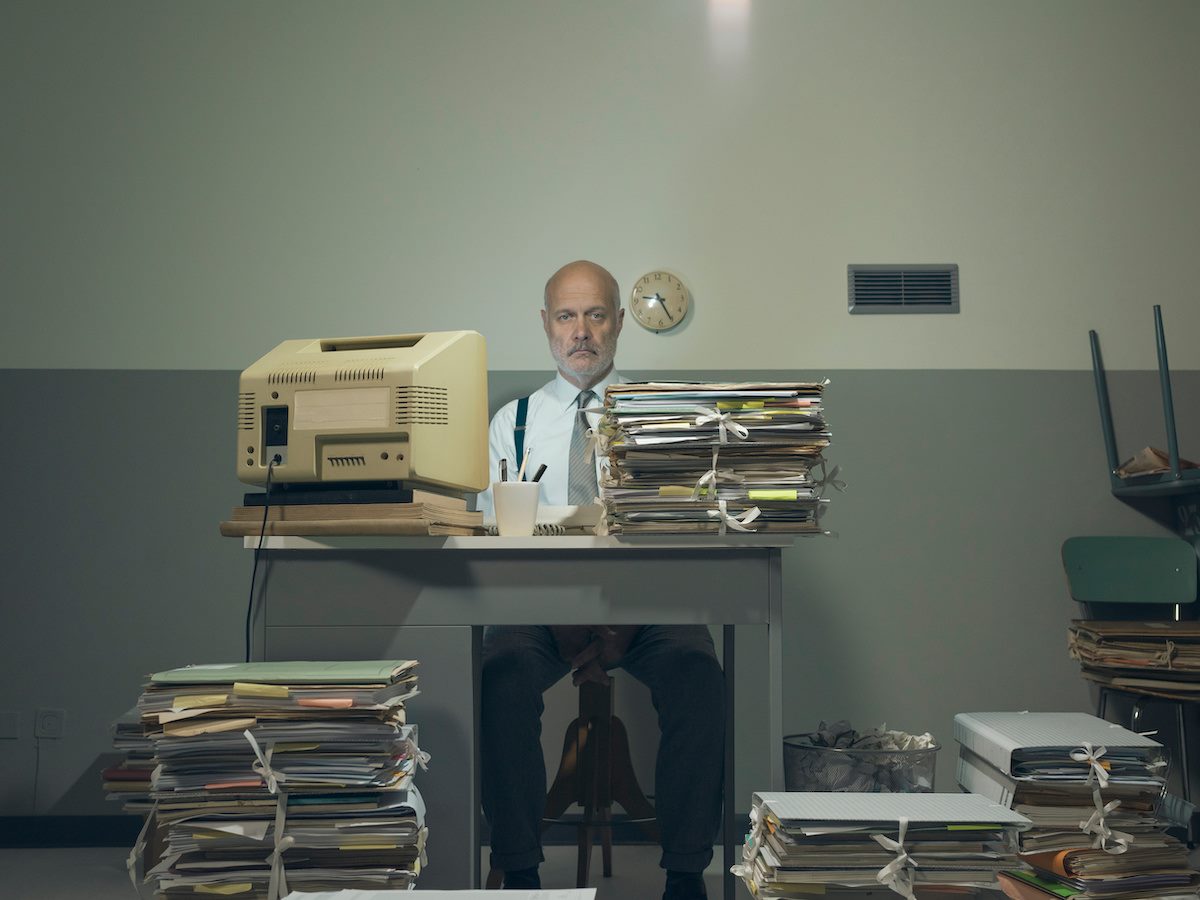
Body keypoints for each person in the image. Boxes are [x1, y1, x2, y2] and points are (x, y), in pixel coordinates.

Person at [477, 260, 723, 900]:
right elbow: (491, 540)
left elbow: (684, 529)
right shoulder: (514, 423)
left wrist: (625, 621)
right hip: (540, 614)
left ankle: (687, 874)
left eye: (594, 315)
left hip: (645, 612)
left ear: (617, 322)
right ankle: (522, 873)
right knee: (500, 673)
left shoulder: (659, 414)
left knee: (698, 672)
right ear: (546, 325)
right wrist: (559, 617)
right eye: (566, 316)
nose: (580, 331)